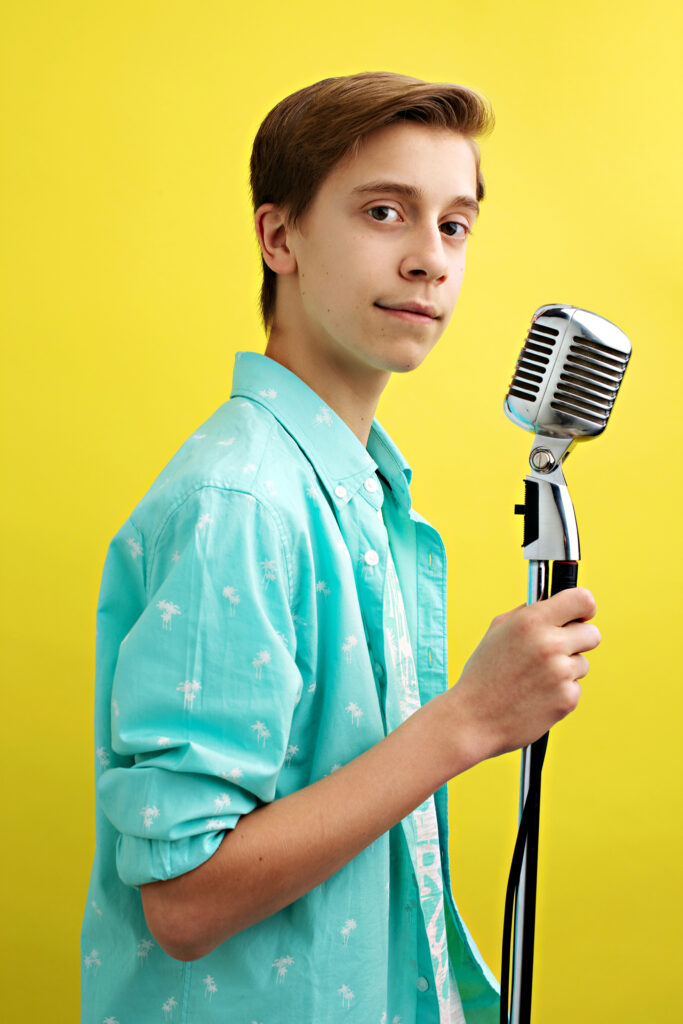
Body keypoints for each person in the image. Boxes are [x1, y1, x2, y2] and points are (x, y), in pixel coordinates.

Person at [81, 72, 600, 1024]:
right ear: (278, 237)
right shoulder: (242, 504)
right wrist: (468, 720)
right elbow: (185, 903)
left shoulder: (362, 494)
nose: (428, 260)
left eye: (453, 225)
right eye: (384, 212)